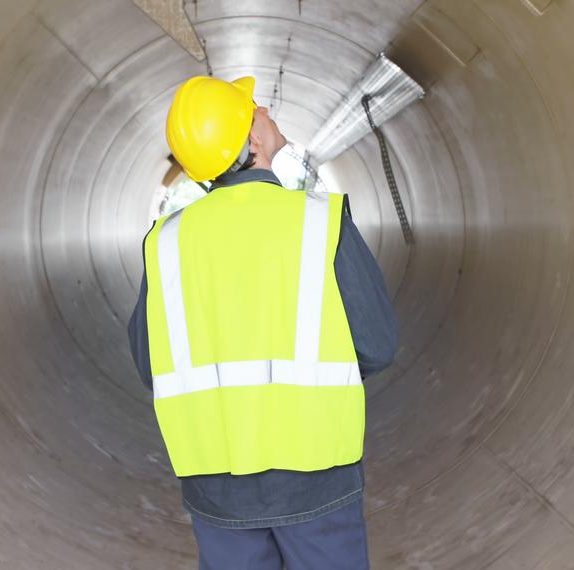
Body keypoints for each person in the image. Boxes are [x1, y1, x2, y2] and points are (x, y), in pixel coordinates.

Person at [127, 75, 398, 570]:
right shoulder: (320, 221)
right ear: (253, 139)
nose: (267, 109)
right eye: (256, 108)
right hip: (316, 472)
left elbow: (152, 364)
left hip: (214, 479)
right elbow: (377, 344)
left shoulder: (165, 242)